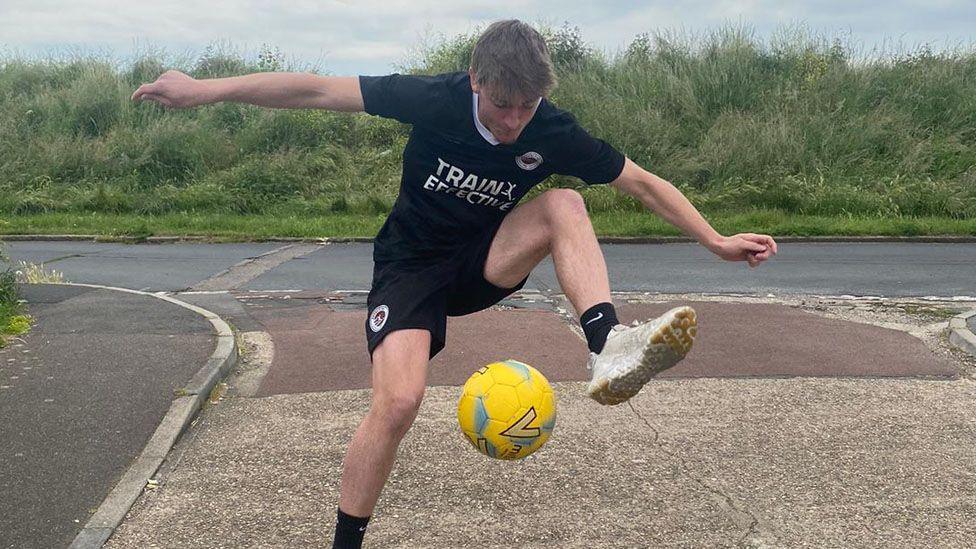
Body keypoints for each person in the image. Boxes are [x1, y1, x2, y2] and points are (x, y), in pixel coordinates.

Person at [132, 19, 777, 549]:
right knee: (399, 402)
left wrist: (715, 240)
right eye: (503, 105)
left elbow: (639, 181)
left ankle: (607, 346)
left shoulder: (549, 128)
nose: (515, 122)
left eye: (528, 107)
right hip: (410, 269)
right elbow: (315, 91)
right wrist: (203, 90)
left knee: (566, 207)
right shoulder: (436, 99)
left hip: (481, 262)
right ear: (476, 82)